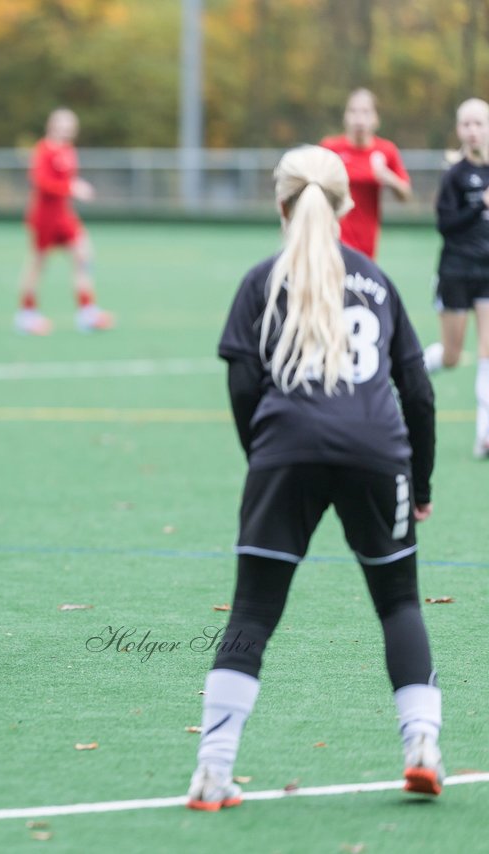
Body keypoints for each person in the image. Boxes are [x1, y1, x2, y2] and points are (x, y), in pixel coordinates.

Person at [188, 145, 442, 810]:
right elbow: (416, 391)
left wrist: (262, 453)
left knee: (251, 613)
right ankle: (423, 748)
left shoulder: (260, 281)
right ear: (346, 205)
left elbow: (243, 381)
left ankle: (213, 773)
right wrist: (421, 483)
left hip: (284, 454)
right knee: (399, 603)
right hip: (376, 453)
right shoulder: (377, 281)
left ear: (280, 203)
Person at [421, 98, 489, 458]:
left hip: (487, 272)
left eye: (479, 123)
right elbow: (445, 226)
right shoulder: (454, 175)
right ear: (459, 130)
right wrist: (480, 205)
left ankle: (485, 434)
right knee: (451, 355)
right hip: (456, 270)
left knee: (487, 353)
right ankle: (406, 374)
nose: (473, 130)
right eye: (467, 124)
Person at [16, 108, 112, 335]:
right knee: (37, 264)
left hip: (64, 215)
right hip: (45, 216)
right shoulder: (43, 150)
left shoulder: (69, 150)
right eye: (61, 126)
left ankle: (87, 312)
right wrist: (71, 187)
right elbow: (41, 182)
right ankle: (26, 314)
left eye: (70, 127)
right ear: (51, 126)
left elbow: (67, 180)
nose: (66, 131)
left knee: (83, 254)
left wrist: (76, 186)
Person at [320, 88, 412, 259]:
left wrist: (387, 177)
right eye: (353, 111)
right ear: (345, 116)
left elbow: (405, 194)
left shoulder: (386, 150)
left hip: (366, 245)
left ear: (376, 118)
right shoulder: (330, 148)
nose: (359, 119)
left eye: (365, 112)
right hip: (331, 239)